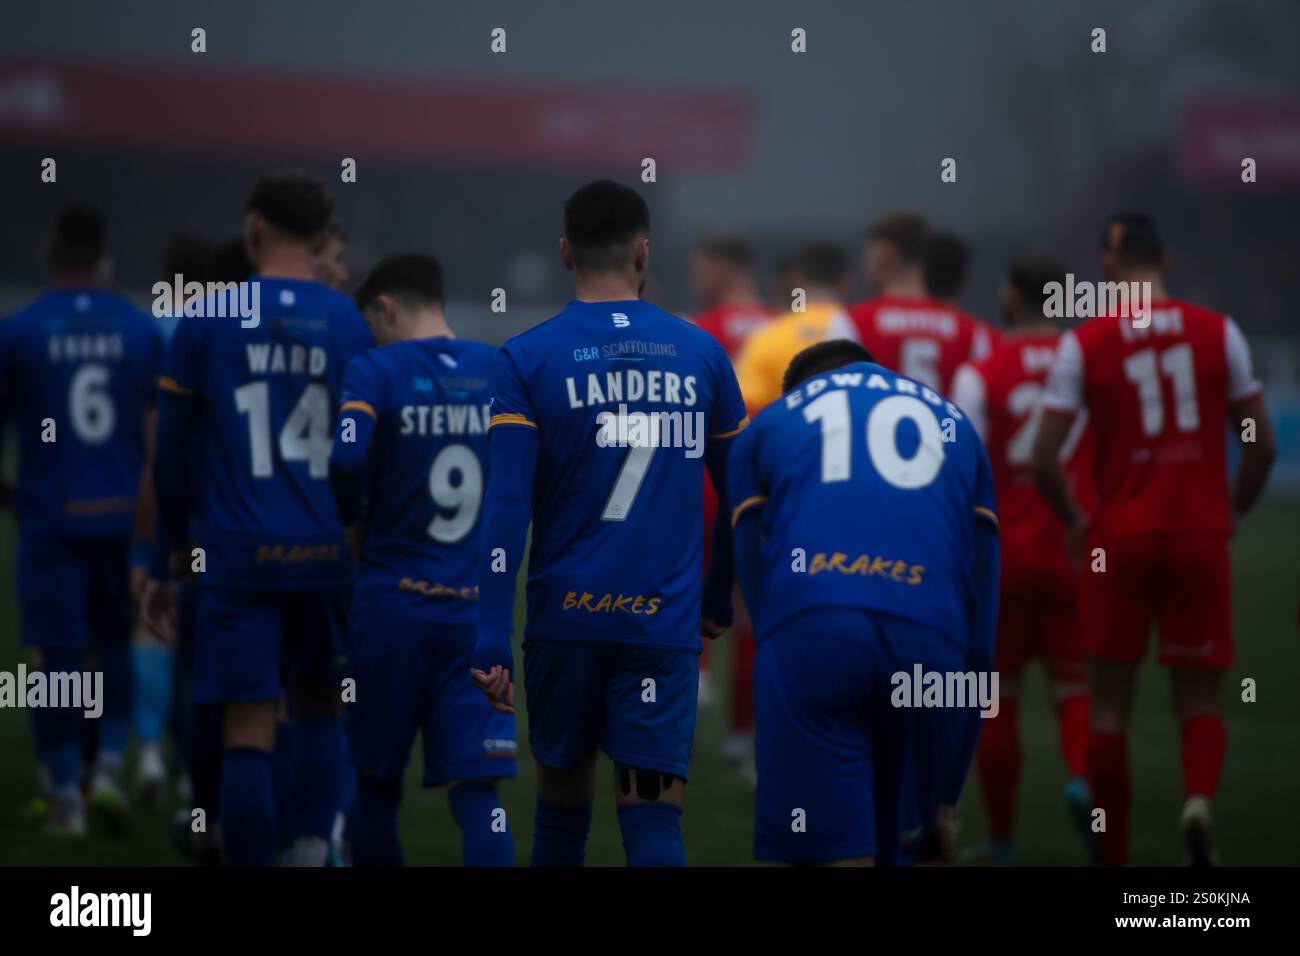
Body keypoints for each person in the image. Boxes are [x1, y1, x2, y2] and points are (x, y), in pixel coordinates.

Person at [470, 180, 747, 866]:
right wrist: (716, 596)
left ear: (566, 253)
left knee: (561, 821)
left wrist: (489, 634)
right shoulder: (704, 354)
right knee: (653, 822)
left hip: (566, 623)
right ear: (643, 252)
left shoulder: (525, 358)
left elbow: (505, 507)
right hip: (661, 625)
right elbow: (744, 500)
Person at [1032, 213, 1276, 866]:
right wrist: (1232, 510)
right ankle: (1197, 802)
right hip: (1197, 535)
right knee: (1200, 696)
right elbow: (1259, 440)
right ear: (1165, 260)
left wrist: (1079, 522)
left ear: (1107, 268)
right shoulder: (1218, 332)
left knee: (1108, 709)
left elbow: (1043, 456)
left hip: (1120, 539)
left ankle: (1112, 857)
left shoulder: (1085, 343)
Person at [153, 170, 372, 866]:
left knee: (247, 728)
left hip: (235, 554)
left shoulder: (207, 316)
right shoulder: (346, 320)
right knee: (320, 706)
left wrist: (176, 549)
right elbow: (363, 449)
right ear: (318, 238)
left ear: (253, 231)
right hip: (325, 553)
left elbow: (171, 453)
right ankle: (309, 855)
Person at [728, 339, 1000, 865]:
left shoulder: (770, 422)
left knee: (829, 847)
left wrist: (782, 647)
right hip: (932, 639)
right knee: (910, 845)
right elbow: (983, 625)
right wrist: (946, 791)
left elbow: (751, 569)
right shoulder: (958, 427)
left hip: (815, 630)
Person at [328, 253, 517, 866]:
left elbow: (347, 458)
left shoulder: (373, 367)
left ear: (385, 308)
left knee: (375, 786)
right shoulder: (500, 368)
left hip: (391, 607)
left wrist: (350, 516)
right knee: (480, 793)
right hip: (474, 617)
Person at [0, 204, 163, 836]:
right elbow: (156, 445)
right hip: (121, 520)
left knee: (58, 658)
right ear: (103, 258)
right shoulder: (140, 330)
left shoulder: (19, 332)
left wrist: (11, 493)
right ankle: (113, 770)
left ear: (50, 253)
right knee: (117, 643)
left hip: (50, 520)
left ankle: (64, 794)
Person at [950, 252, 1093, 863]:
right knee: (1080, 689)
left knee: (995, 698)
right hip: (1077, 548)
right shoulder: (1091, 364)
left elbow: (964, 470)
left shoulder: (982, 373)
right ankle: (1087, 782)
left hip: (1003, 555)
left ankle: (1003, 839)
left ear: (1010, 297)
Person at [850, 212, 996, 391]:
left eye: (868, 254)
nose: (864, 264)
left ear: (885, 254)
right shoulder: (972, 332)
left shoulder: (855, 322)